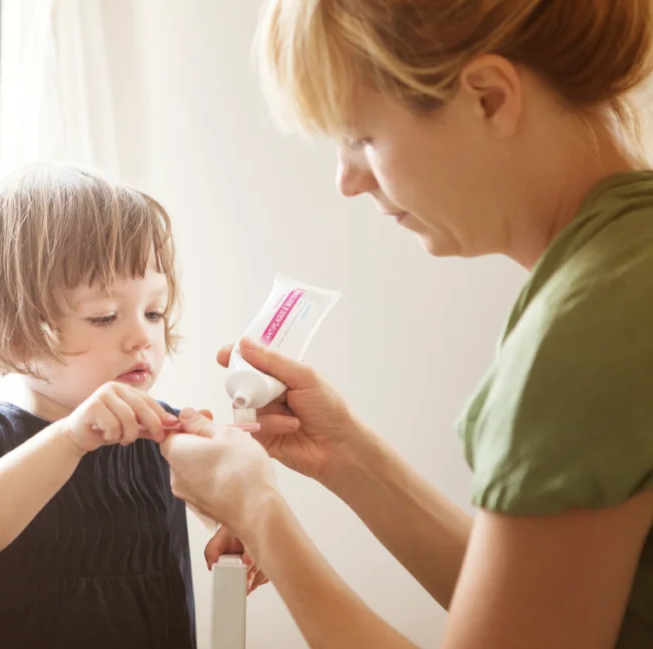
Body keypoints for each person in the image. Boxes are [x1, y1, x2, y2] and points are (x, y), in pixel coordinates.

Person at [161, 1, 653, 648]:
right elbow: (543, 604)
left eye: (362, 138)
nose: (346, 180)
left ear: (488, 98)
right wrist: (347, 456)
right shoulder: (625, 271)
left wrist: (259, 512)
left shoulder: (579, 337)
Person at [0, 162, 267, 649]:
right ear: (16, 332)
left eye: (154, 311)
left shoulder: (157, 431)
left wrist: (236, 526)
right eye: (105, 316)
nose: (142, 336)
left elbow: (218, 504)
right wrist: (71, 438)